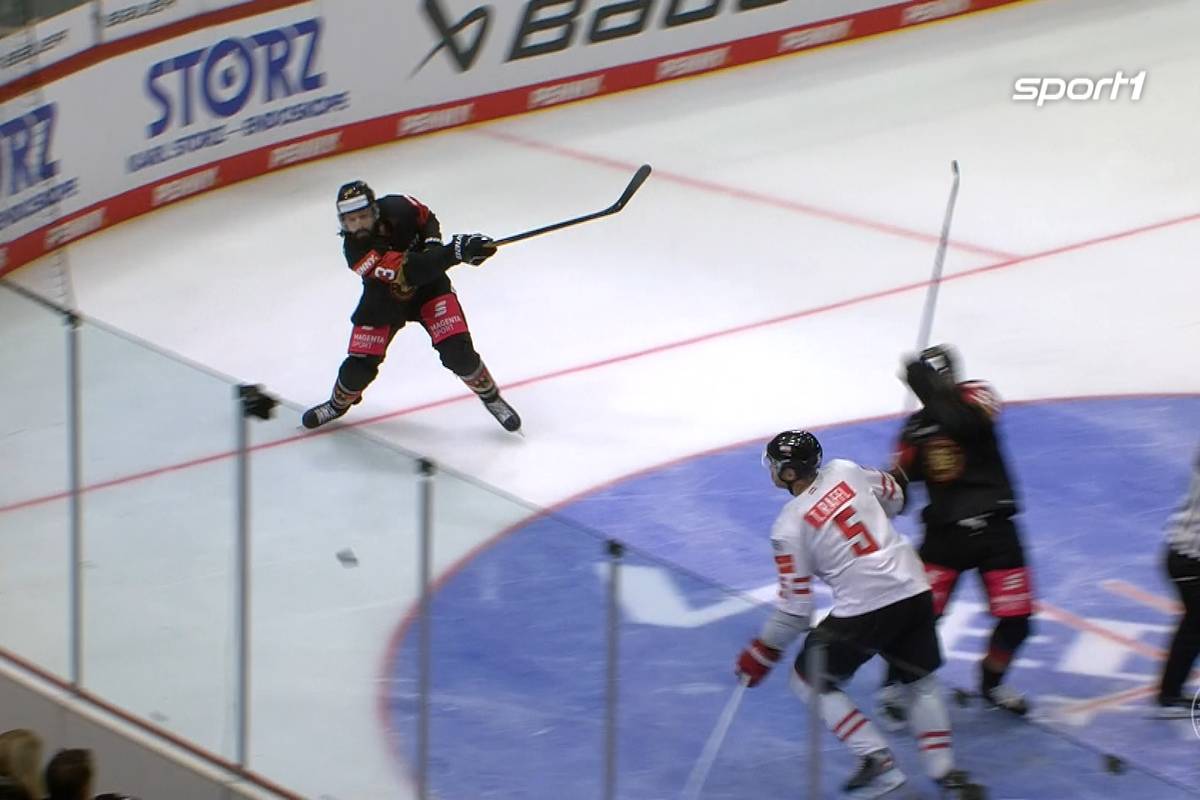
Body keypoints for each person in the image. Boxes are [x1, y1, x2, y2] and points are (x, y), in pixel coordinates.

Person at [734, 430, 984, 799]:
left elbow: (796, 611)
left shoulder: (787, 527)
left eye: (774, 465)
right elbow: (897, 499)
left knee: (808, 680)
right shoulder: (846, 470)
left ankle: (877, 759)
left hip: (865, 607)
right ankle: (946, 772)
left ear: (787, 473)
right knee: (920, 681)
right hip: (913, 588)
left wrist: (762, 652)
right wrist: (877, 494)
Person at [878, 345, 1034, 725]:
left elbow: (966, 424)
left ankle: (992, 683)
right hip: (945, 536)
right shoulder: (915, 429)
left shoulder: (976, 396)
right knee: (919, 616)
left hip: (996, 529)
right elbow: (900, 481)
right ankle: (895, 684)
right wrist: (883, 493)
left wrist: (929, 389)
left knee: (1018, 619)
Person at [302, 181, 521, 433]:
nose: (358, 225)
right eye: (351, 220)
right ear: (343, 222)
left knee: (458, 354)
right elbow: (412, 271)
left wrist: (434, 245)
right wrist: (454, 252)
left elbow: (426, 217)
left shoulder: (400, 206)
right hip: (384, 299)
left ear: (374, 212)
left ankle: (491, 397)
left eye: (363, 217)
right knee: (358, 367)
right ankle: (337, 404)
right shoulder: (356, 252)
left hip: (431, 290)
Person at [1156, 444, 1200, 717]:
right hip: (1191, 560)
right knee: (1194, 626)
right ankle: (1169, 693)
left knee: (1193, 626)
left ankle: (1169, 692)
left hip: (1182, 554)